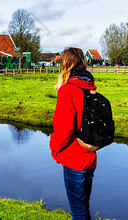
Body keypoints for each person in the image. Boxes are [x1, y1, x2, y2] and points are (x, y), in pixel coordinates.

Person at [50, 47, 97, 220]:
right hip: (90, 155)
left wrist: (54, 148)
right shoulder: (90, 87)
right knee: (83, 208)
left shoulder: (67, 90)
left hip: (74, 157)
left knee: (78, 213)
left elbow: (65, 129)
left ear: (66, 64)